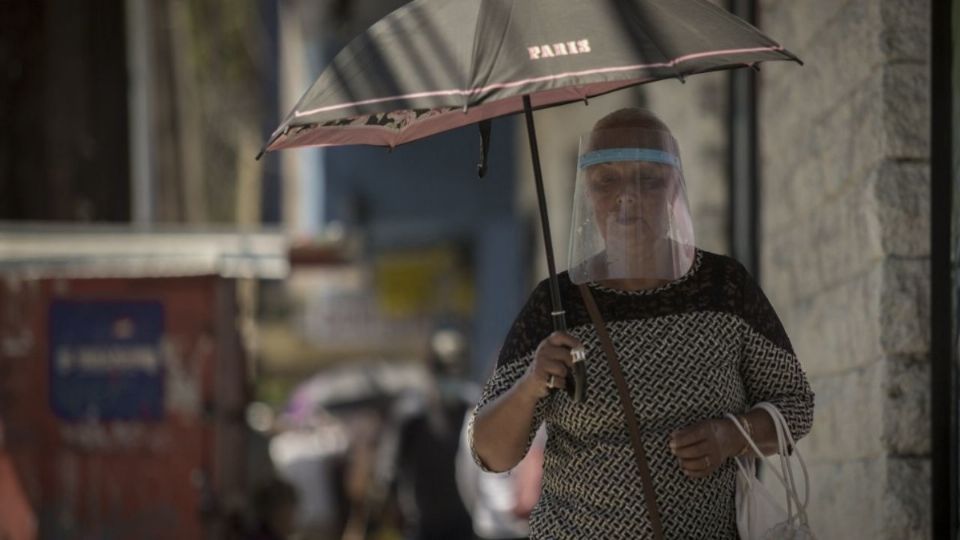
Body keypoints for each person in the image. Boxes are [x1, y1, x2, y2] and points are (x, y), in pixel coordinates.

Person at [468, 108, 814, 539]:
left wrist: (730, 437)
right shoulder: (555, 304)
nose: (626, 197)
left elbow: (796, 406)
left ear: (673, 188)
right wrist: (530, 385)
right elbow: (490, 453)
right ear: (588, 192)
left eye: (648, 179)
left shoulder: (724, 288)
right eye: (606, 180)